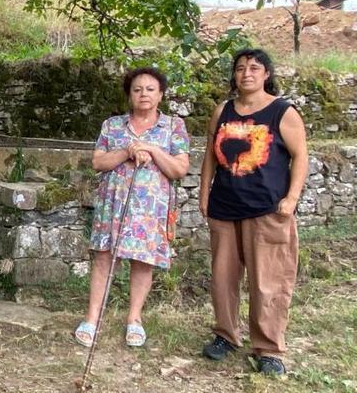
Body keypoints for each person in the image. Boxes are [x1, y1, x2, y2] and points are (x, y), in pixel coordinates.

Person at [199, 48, 308, 375]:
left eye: (254, 68)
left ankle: (269, 348)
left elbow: (301, 156)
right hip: (225, 208)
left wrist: (291, 199)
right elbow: (209, 156)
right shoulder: (223, 111)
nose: (246, 73)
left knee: (269, 282)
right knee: (223, 279)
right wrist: (204, 194)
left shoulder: (282, 112)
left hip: (267, 209)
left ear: (266, 75)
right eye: (241, 68)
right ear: (234, 75)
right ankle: (225, 335)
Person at [74, 67, 190, 348]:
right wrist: (127, 151)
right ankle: (92, 318)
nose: (143, 94)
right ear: (129, 95)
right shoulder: (112, 125)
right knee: (103, 257)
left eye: (150, 89)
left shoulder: (173, 126)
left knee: (143, 261)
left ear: (160, 94)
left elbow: (179, 169)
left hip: (150, 208)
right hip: (112, 203)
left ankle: (134, 319)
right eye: (137, 89)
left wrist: (150, 148)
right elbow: (98, 162)